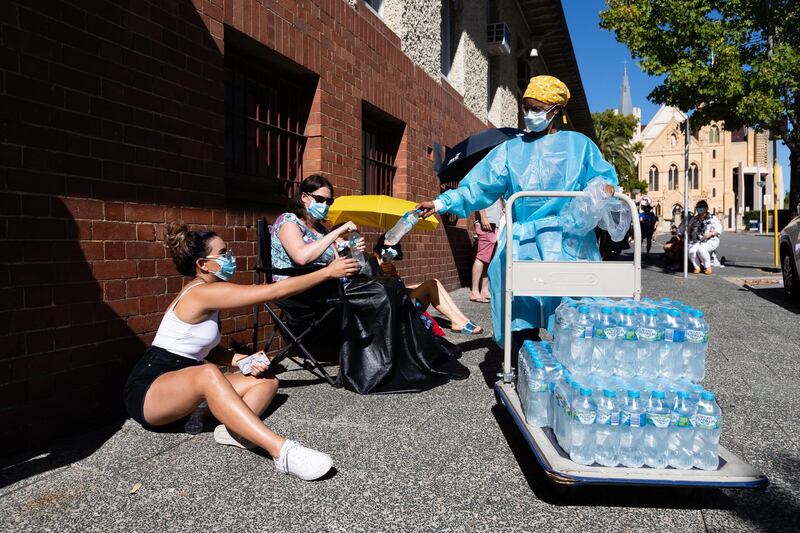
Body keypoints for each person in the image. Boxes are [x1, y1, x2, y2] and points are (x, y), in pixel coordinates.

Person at [123, 222, 360, 481]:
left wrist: (241, 360)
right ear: (203, 264)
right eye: (224, 253)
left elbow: (201, 349)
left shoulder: (206, 295)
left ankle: (234, 430)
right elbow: (273, 291)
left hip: (182, 386)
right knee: (207, 374)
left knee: (267, 381)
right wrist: (327, 272)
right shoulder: (200, 293)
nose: (231, 257)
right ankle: (282, 452)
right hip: (148, 392)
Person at [417, 75, 618, 346]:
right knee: (519, 312)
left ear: (556, 111)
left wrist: (597, 194)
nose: (529, 114)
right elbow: (478, 186)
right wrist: (441, 203)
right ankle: (522, 364)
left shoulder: (579, 145)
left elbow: (603, 178)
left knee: (573, 315)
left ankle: (572, 370)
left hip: (568, 240)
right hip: (524, 242)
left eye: (536, 108)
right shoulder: (510, 150)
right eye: (526, 107)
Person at [272, 175, 469, 394]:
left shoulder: (320, 229)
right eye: (321, 199)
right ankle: (378, 364)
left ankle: (405, 354)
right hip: (299, 292)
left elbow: (337, 261)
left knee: (390, 286)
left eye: (329, 201)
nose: (325, 205)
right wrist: (337, 231)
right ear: (304, 197)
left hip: (327, 286)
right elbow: (301, 257)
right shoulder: (288, 221)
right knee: (381, 292)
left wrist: (348, 247)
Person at [374, 234, 483, 334]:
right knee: (431, 284)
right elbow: (378, 292)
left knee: (434, 282)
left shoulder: (389, 265)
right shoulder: (373, 263)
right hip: (392, 311)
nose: (390, 250)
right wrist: (381, 271)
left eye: (394, 247)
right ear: (380, 247)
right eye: (386, 247)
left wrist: (409, 285)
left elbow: (399, 288)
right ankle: (457, 322)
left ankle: (461, 319)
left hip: (400, 301)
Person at [469, 199, 503, 303]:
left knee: (488, 258)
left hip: (493, 223)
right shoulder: (486, 182)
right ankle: (474, 291)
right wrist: (483, 217)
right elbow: (479, 198)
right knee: (481, 257)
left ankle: (484, 290)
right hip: (487, 223)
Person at [681, 200, 722, 274]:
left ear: (706, 208)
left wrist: (711, 233)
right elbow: (688, 229)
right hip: (696, 240)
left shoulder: (712, 218)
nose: (699, 209)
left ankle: (708, 267)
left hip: (710, 240)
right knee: (691, 251)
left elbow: (718, 230)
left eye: (701, 207)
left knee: (701, 249)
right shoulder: (694, 219)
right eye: (698, 207)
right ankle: (697, 267)